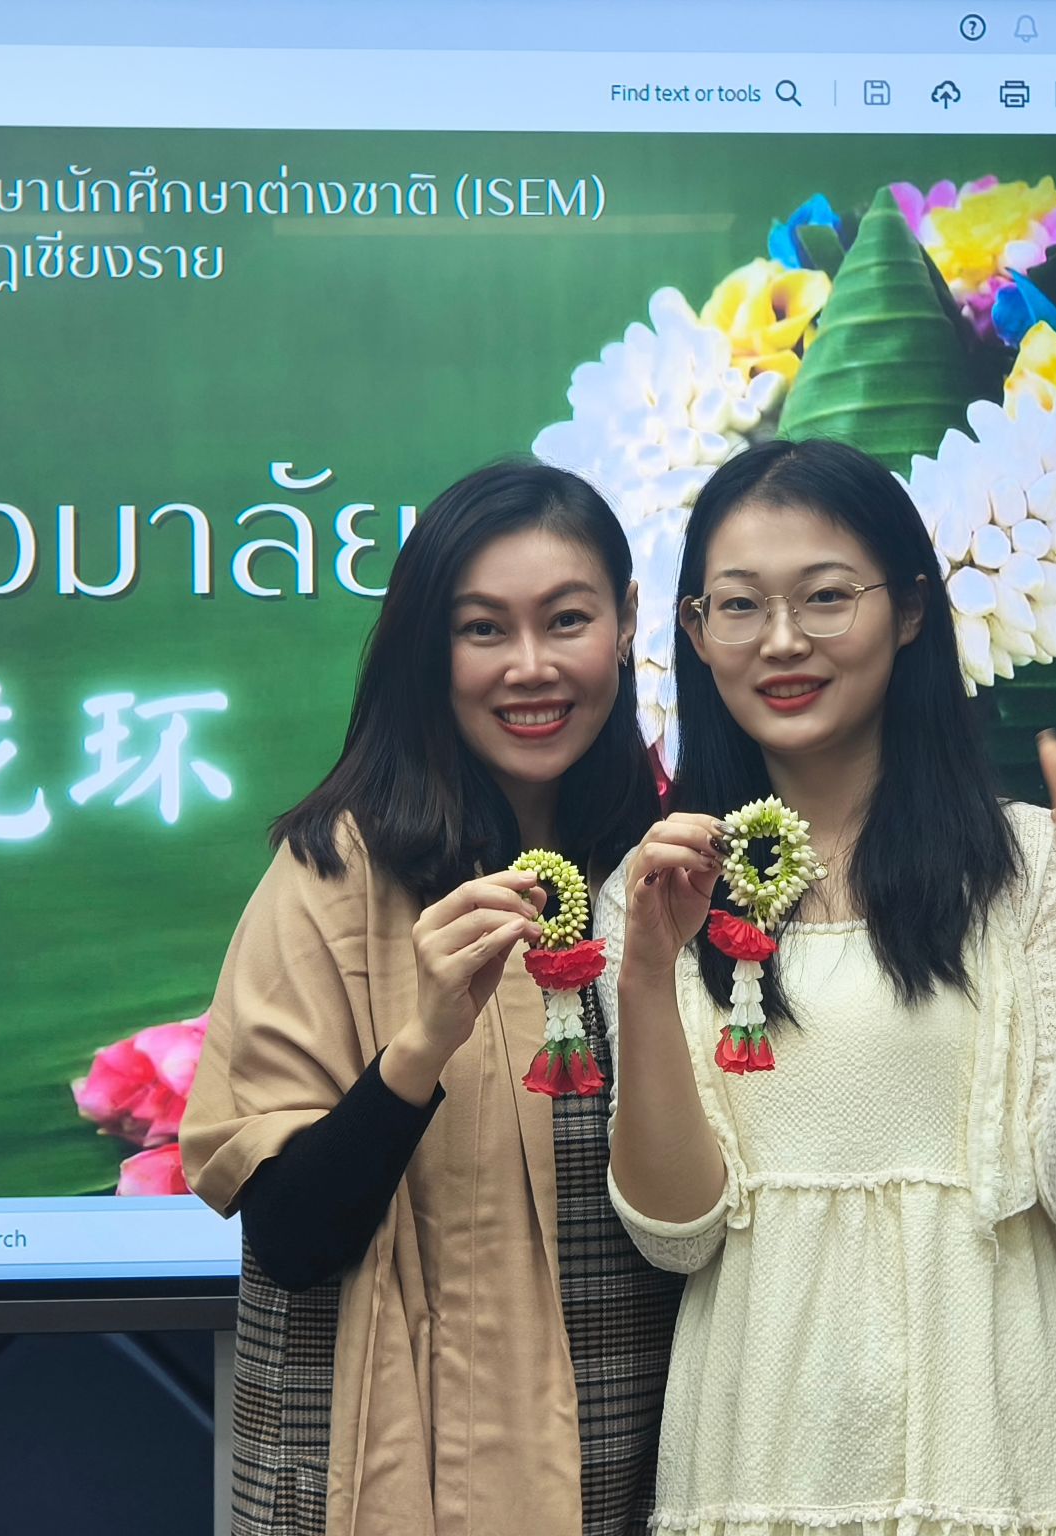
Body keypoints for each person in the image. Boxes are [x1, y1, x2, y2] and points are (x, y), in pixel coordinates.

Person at [600, 437, 1056, 1536]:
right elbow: (676, 1235)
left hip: (1012, 1448)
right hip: (763, 1452)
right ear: (695, 633)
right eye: (739, 605)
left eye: (826, 597)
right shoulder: (660, 886)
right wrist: (644, 973)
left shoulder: (1031, 865)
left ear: (909, 610)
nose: (782, 641)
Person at [180, 462, 681, 1536]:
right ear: (428, 649)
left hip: (650, 1449)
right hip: (403, 1465)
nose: (531, 667)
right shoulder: (336, 872)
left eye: (567, 620)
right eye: (482, 629)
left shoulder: (667, 866)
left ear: (627, 621)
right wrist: (423, 1042)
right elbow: (289, 1239)